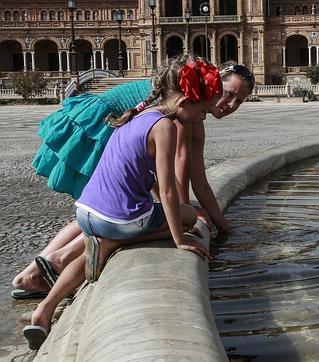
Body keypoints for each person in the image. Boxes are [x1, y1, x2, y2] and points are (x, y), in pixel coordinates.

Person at [22, 55, 224, 350]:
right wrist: (179, 238)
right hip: (118, 221)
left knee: (99, 245)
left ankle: (43, 310)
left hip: (87, 212)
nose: (204, 118)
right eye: (203, 110)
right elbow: (168, 190)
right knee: (190, 216)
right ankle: (118, 242)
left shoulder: (135, 116)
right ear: (183, 103)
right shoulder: (165, 127)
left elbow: (146, 179)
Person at [12, 64, 255, 300]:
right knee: (108, 209)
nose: (231, 104)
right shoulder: (182, 111)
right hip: (100, 125)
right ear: (213, 84)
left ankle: (34, 272)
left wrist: (222, 226)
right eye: (228, 94)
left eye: (240, 101)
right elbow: (179, 171)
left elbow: (198, 179)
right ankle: (48, 266)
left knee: (98, 209)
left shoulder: (190, 105)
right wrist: (182, 217)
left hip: (109, 124)